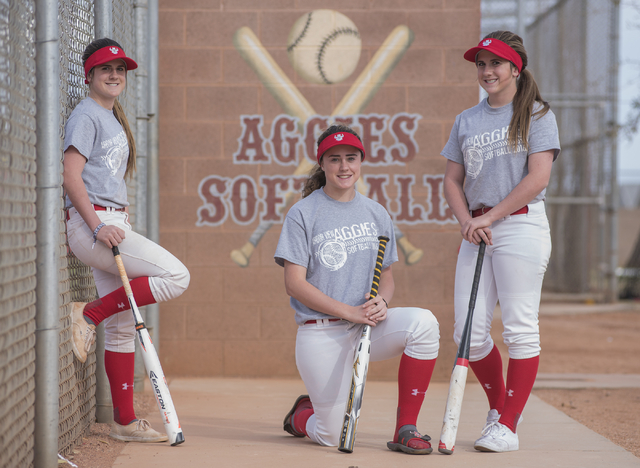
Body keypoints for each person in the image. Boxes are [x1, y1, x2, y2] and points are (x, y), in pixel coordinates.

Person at [274, 124, 440, 454]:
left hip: (366, 329)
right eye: (334, 159)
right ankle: (302, 416)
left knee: (424, 324)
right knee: (332, 436)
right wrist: (348, 311)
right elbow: (294, 284)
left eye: (351, 158)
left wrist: (383, 301)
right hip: (321, 332)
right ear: (322, 164)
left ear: (361, 161)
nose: (344, 167)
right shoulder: (303, 213)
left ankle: (406, 428)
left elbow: (387, 278)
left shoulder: (376, 212)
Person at [63, 38, 190, 443]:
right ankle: (89, 313)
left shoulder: (112, 116)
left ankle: (123, 421)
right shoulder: (86, 115)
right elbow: (71, 176)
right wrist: (99, 226)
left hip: (112, 224)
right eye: (105, 70)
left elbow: (108, 179)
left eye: (120, 70)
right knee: (176, 275)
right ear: (90, 76)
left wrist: (120, 216)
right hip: (93, 227)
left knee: (121, 329)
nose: (115, 75)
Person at [442, 30, 560, 452]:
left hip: (520, 227)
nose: (487, 71)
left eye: (495, 63)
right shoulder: (466, 120)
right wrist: (466, 221)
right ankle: (501, 409)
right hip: (476, 230)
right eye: (481, 64)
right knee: (468, 333)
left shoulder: (538, 114)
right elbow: (453, 180)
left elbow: (538, 178)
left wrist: (492, 214)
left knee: (520, 330)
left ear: (515, 67)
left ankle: (507, 426)